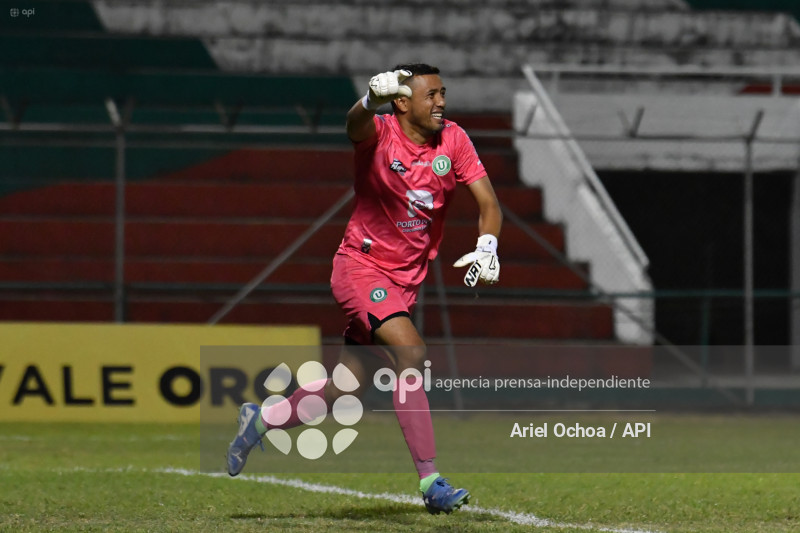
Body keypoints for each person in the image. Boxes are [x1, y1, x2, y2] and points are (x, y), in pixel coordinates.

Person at [227, 64, 502, 515]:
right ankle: (431, 481)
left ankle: (261, 420)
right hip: (360, 268)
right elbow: (354, 125)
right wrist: (367, 102)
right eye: (431, 94)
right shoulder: (379, 132)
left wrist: (488, 246)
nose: (441, 102)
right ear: (402, 102)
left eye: (443, 93)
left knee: (344, 387)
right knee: (411, 353)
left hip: (404, 282)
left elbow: (488, 202)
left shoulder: (453, 139)